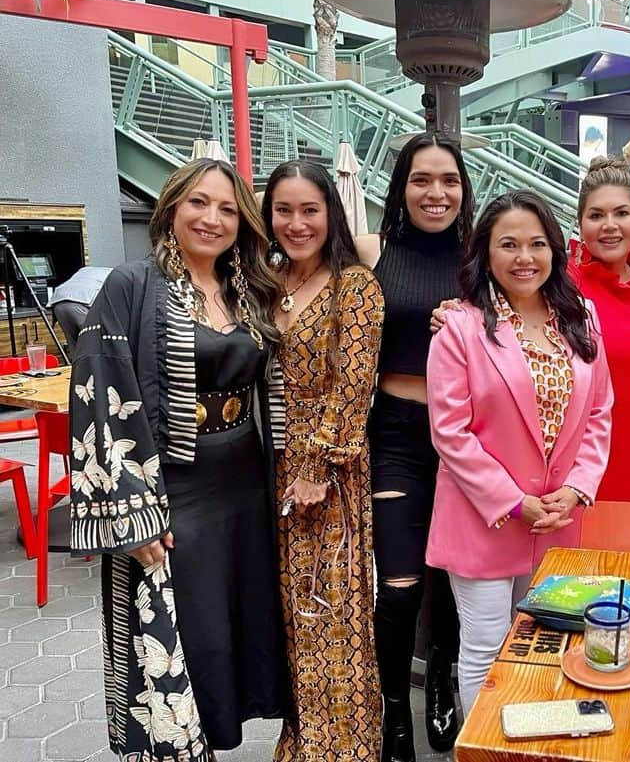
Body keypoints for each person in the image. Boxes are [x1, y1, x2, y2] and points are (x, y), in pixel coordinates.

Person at [68, 158, 289, 761]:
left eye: (226, 207)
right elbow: (99, 393)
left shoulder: (250, 289)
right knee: (177, 635)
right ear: (170, 210)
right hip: (172, 484)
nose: (212, 218)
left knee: (228, 631)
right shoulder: (131, 285)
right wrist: (132, 514)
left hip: (243, 480)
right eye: (198, 203)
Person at [425, 190, 613, 715]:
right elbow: (451, 432)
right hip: (483, 518)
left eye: (536, 244)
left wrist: (577, 489)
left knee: (544, 644)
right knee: (485, 649)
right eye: (508, 245)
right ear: (486, 253)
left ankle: (532, 740)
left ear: (555, 249)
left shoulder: (582, 319)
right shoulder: (460, 329)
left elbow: (600, 412)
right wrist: (512, 500)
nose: (523, 257)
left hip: (555, 519)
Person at [353, 133, 473, 762]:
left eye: (448, 180)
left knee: (453, 577)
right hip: (395, 431)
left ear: (464, 188)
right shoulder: (372, 251)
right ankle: (393, 706)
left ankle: (443, 684)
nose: (436, 193)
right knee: (399, 583)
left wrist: (474, 318)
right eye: (422, 180)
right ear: (401, 186)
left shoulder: (482, 259)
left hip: (468, 437)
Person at [263, 161, 384, 761]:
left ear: (330, 213)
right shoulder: (265, 280)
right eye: (284, 210)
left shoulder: (354, 286)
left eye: (309, 209)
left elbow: (353, 383)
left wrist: (317, 467)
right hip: (268, 465)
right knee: (289, 613)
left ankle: (346, 747)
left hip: (326, 474)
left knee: (330, 607)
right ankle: (301, 740)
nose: (296, 223)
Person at [570, 158, 630, 502]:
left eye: (621, 213)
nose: (609, 225)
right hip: (573, 465)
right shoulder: (558, 284)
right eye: (596, 216)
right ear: (580, 224)